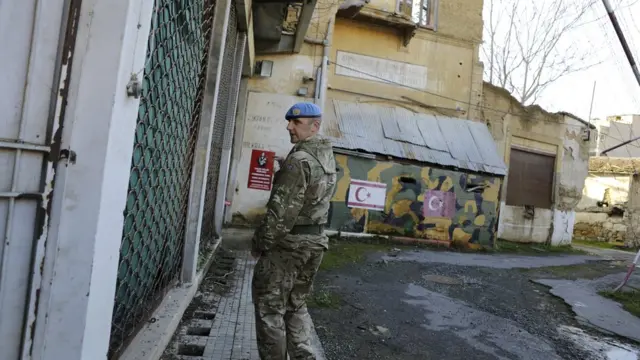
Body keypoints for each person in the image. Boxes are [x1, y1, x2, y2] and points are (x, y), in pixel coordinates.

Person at [251, 102, 337, 360]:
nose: (289, 127)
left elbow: (281, 214)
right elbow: (313, 192)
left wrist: (260, 243)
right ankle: (304, 356)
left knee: (270, 308)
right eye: (288, 121)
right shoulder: (325, 154)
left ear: (315, 126)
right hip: (315, 242)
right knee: (296, 304)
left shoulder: (297, 160)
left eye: (296, 123)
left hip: (289, 245)